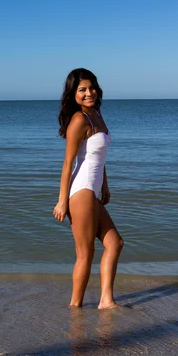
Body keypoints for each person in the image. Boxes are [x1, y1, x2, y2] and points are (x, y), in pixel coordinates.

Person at [53, 68, 124, 309]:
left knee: (115, 243)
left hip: (92, 191)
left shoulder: (96, 114)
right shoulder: (79, 120)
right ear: (73, 94)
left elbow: (98, 157)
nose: (88, 93)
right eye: (82, 89)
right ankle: (75, 307)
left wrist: (105, 185)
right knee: (85, 254)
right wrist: (62, 200)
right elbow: (68, 163)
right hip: (80, 190)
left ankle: (106, 300)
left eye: (91, 87)